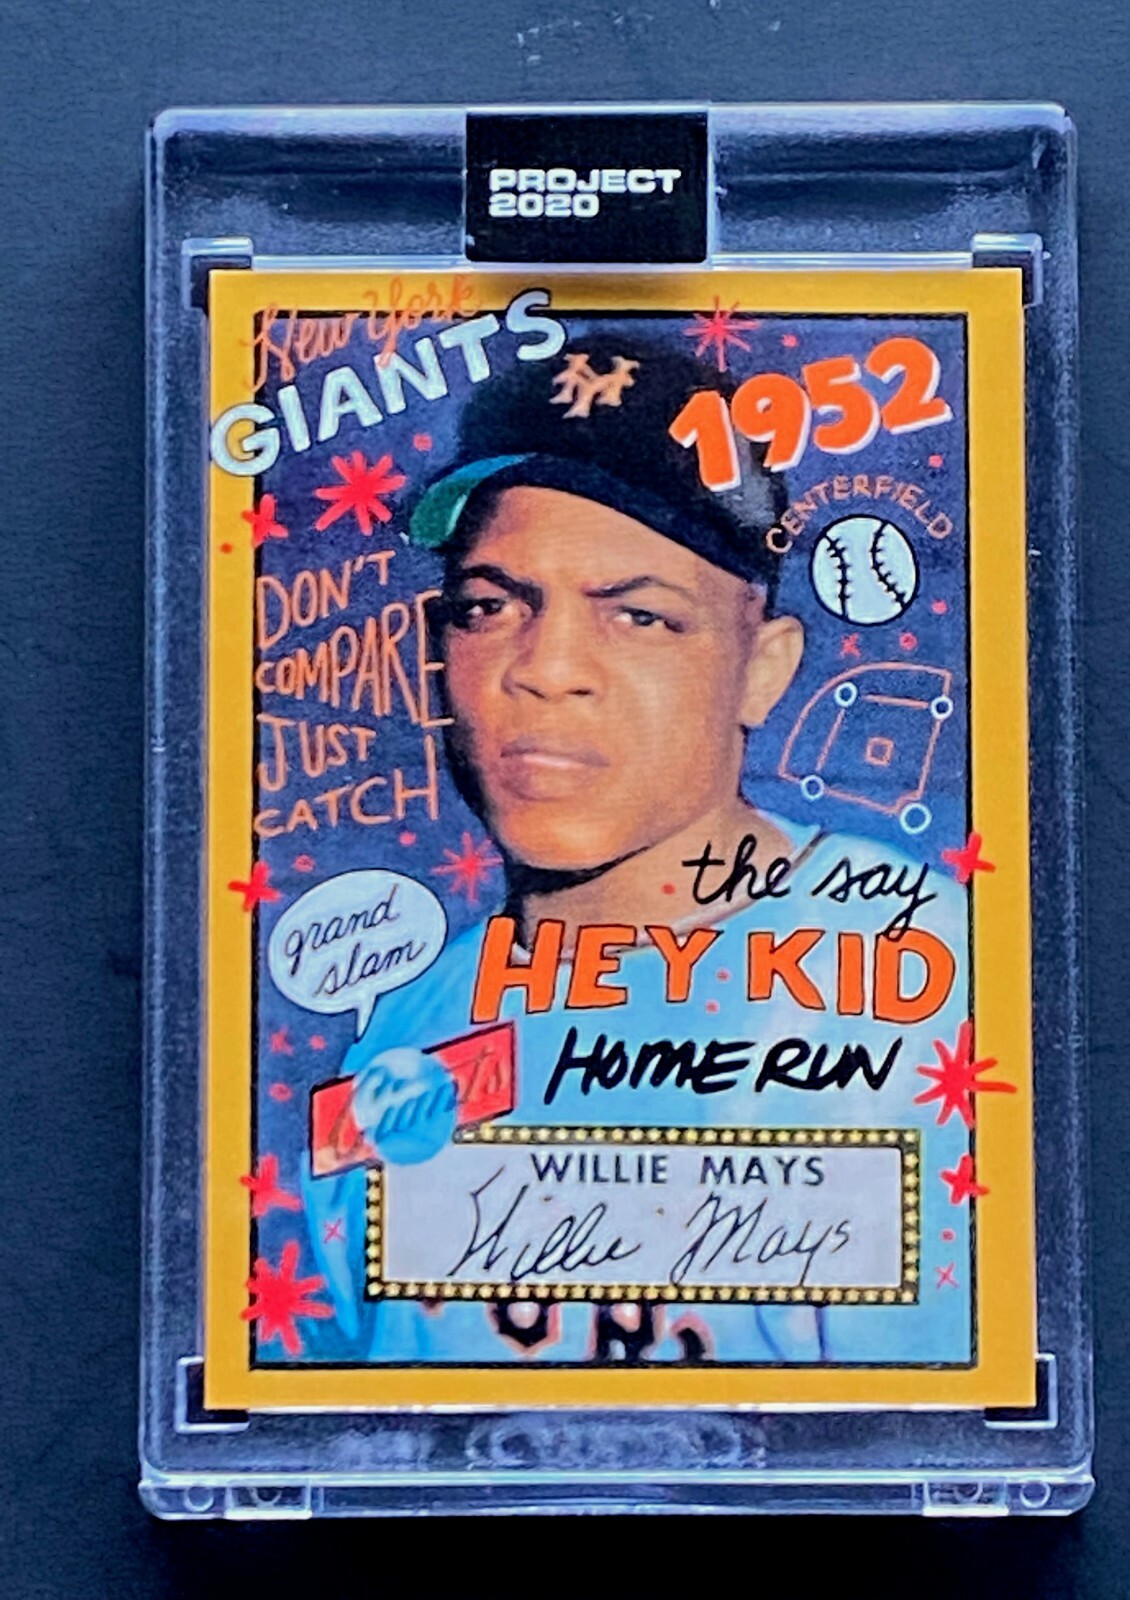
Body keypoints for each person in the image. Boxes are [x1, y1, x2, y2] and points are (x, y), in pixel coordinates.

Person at [300, 337, 970, 1368]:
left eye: (640, 616)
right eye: (489, 607)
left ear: (762, 669)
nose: (546, 669)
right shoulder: (407, 1020)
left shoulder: (934, 968)